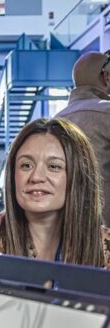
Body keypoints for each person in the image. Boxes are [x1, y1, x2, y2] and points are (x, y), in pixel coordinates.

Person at [0, 117, 110, 298]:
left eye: (54, 166)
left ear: (78, 176)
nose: (36, 177)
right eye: (26, 165)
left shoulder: (105, 247)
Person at [56, 50, 110, 226]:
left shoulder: (55, 121)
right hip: (105, 230)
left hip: (66, 229)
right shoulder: (107, 113)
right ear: (106, 77)